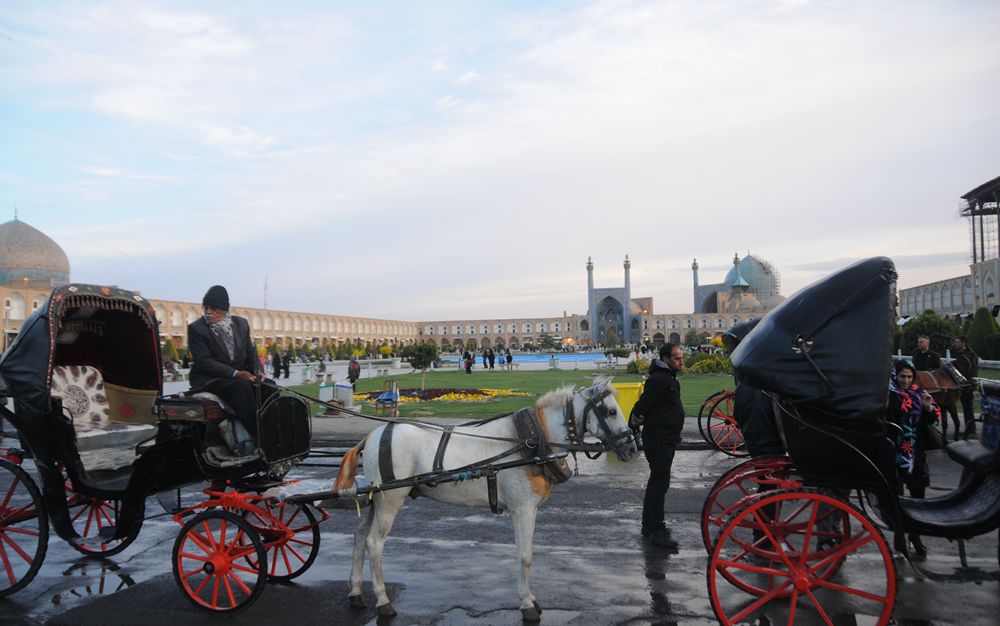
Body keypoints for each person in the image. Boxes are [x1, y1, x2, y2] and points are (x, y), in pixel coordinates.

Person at [187, 285, 276, 443]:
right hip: (211, 379)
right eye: (205, 308)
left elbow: (251, 352)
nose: (208, 312)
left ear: (225, 310)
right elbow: (203, 362)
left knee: (270, 386)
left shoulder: (240, 324)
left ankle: (275, 429)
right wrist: (235, 373)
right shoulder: (197, 329)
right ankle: (260, 437)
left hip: (238, 377)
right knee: (241, 387)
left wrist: (258, 371)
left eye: (214, 309)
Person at [631, 343, 685, 549]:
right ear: (665, 358)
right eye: (677, 358)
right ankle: (656, 530)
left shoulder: (667, 377)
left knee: (657, 483)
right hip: (659, 440)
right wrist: (636, 424)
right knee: (659, 485)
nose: (681, 362)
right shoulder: (659, 380)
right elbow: (641, 408)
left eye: (681, 358)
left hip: (666, 438)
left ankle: (649, 525)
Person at [886, 360, 940, 560]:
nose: (906, 381)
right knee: (897, 499)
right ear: (896, 376)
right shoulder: (889, 394)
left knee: (918, 498)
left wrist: (927, 407)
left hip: (915, 452)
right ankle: (900, 537)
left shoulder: (919, 393)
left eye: (909, 377)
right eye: (902, 376)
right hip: (895, 452)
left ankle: (916, 538)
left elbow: (934, 418)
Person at [952, 336, 979, 438]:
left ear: (964, 343)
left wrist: (968, 382)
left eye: (957, 342)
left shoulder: (970, 355)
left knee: (968, 407)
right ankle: (969, 428)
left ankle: (971, 430)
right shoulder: (961, 354)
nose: (955, 344)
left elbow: (972, 371)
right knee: (966, 407)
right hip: (962, 384)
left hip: (968, 384)